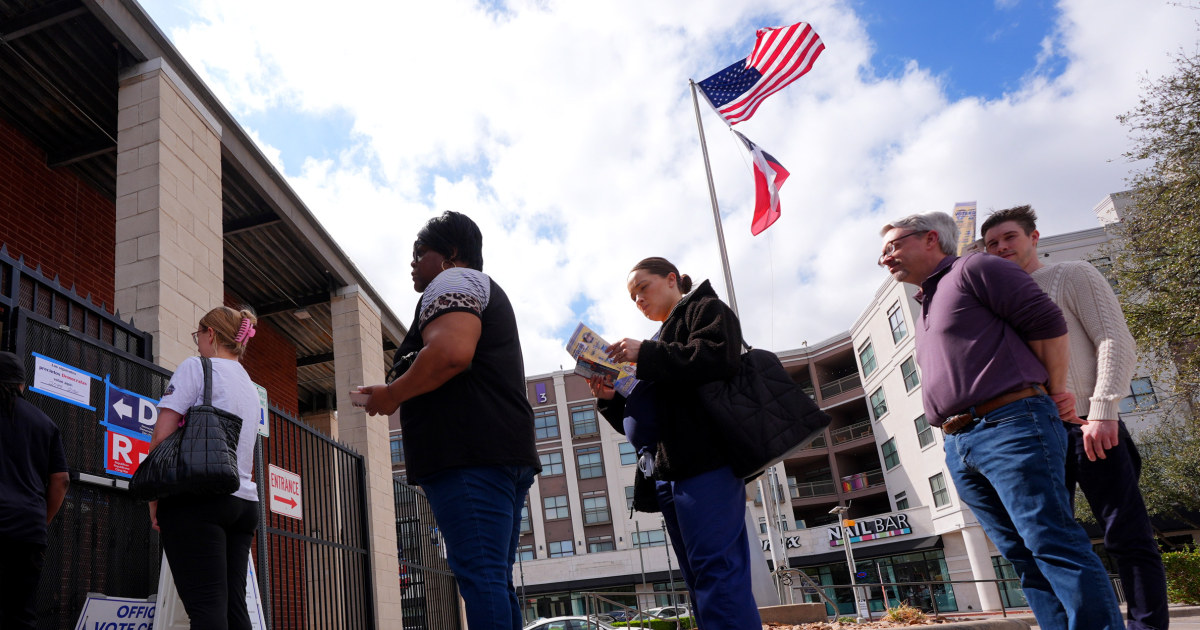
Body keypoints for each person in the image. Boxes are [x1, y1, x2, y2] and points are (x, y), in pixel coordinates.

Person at [878, 211, 1123, 630]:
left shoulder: (976, 267)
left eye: (893, 246)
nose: (885, 258)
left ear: (931, 238)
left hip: (1012, 423)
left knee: (1051, 541)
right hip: (959, 443)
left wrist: (1054, 390)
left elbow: (1047, 323)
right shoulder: (926, 304)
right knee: (1021, 555)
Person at [982, 205, 1168, 630]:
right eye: (992, 244)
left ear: (1034, 237)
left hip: (1091, 425)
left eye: (1009, 237)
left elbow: (1113, 339)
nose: (1001, 247)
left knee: (1127, 537)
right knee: (1049, 545)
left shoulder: (1072, 274)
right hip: (1035, 435)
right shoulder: (998, 300)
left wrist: (1103, 410)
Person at [360, 211, 540, 630]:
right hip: (497, 450)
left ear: (451, 254)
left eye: (419, 252)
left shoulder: (453, 281)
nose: (412, 263)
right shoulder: (476, 289)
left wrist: (392, 394)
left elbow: (450, 353)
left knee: (481, 578)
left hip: (469, 454)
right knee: (493, 578)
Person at [589, 257, 761, 630]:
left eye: (642, 289)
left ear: (671, 279)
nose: (638, 301)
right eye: (633, 298)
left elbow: (718, 357)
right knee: (700, 576)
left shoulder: (705, 307)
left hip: (704, 462)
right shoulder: (658, 338)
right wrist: (610, 397)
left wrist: (645, 355)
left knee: (717, 570)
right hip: (668, 468)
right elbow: (648, 416)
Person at [150, 307, 262, 630]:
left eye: (197, 336)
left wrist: (154, 498)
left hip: (198, 499)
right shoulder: (251, 389)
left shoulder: (196, 368)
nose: (196, 344)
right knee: (233, 609)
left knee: (207, 609)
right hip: (243, 504)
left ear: (210, 334)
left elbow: (162, 434)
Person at [0, 352, 69, 629]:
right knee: (20, 613)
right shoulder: (44, 423)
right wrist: (42, 518)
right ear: (21, 385)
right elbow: (61, 480)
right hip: (27, 529)